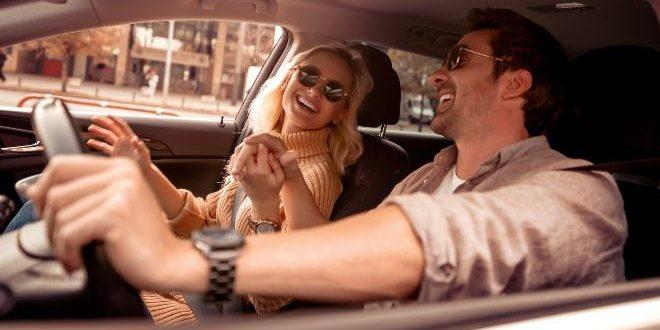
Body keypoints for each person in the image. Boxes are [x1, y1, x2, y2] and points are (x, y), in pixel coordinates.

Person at [28, 8, 626, 311]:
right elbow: (309, 255)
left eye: (459, 59)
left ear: (514, 83)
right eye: (307, 75)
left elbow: (444, 240)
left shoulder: (579, 192)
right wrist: (280, 184)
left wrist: (172, 260)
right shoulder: (428, 174)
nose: (439, 73)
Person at [81, 44, 372, 323]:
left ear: (342, 111)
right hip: (186, 279)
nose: (313, 90)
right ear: (289, 77)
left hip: (204, 311)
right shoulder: (262, 145)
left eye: (332, 90)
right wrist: (145, 168)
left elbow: (268, 300)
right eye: (308, 75)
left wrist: (264, 207)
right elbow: (207, 222)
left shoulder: (316, 176)